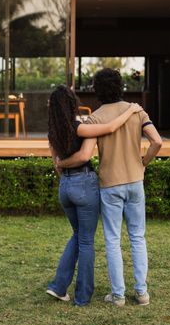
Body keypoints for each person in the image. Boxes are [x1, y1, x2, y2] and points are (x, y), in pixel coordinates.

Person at [57, 68, 162, 306]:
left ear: (97, 91)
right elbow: (157, 141)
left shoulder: (95, 117)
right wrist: (143, 162)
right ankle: (142, 292)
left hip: (109, 183)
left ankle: (118, 295)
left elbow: (86, 153)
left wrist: (61, 163)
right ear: (121, 86)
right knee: (138, 237)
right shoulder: (137, 111)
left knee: (112, 240)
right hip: (135, 180)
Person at [45, 85, 143, 307]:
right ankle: (82, 297)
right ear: (71, 106)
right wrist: (130, 111)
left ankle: (59, 286)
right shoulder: (77, 128)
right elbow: (108, 129)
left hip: (65, 187)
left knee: (78, 234)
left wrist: (63, 166)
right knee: (86, 240)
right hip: (84, 183)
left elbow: (57, 166)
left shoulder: (52, 133)